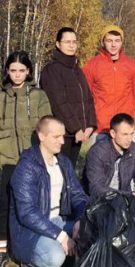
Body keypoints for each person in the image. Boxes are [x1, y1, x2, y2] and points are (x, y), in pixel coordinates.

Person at [0, 52, 51, 267]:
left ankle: (27, 247)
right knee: (5, 203)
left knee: (30, 205)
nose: (17, 74)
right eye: (13, 70)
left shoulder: (38, 95)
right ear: (6, 71)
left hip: (31, 158)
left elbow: (47, 126)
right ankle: (2, 249)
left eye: (21, 70)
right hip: (8, 158)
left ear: (28, 72)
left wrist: (46, 155)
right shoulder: (0, 97)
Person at [9, 116, 87, 267]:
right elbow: (27, 213)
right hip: (30, 229)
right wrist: (61, 236)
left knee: (91, 232)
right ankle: (29, 261)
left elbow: (78, 195)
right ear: (41, 136)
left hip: (58, 220)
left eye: (63, 136)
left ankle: (67, 257)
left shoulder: (64, 162)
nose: (62, 142)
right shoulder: (27, 166)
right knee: (54, 258)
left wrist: (81, 219)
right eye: (56, 137)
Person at [39, 27, 96, 167]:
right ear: (58, 44)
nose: (71, 45)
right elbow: (59, 103)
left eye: (74, 42)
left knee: (68, 171)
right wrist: (75, 128)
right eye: (67, 42)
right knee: (58, 171)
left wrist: (90, 124)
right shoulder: (52, 70)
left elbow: (87, 98)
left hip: (77, 134)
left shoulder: (77, 70)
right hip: (61, 134)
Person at [82, 113, 135, 207]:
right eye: (125, 134)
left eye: (131, 134)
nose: (129, 139)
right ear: (113, 133)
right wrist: (129, 195)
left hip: (124, 197)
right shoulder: (97, 152)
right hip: (100, 201)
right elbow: (96, 188)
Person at [83, 25, 135, 140]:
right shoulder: (91, 65)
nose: (113, 45)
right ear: (102, 42)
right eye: (109, 41)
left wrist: (127, 110)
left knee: (127, 158)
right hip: (101, 128)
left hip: (126, 127)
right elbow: (86, 95)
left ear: (122, 42)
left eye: (117, 41)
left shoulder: (132, 65)